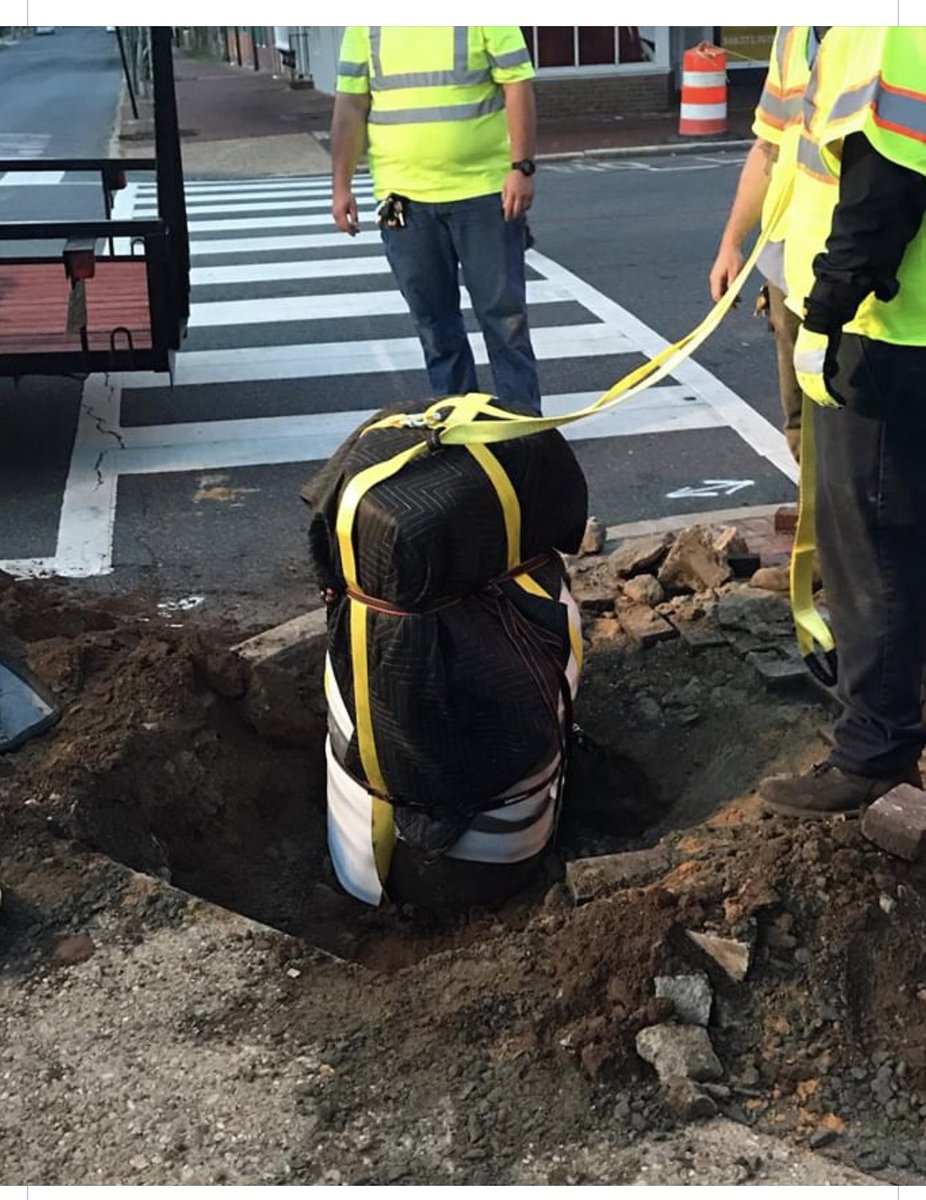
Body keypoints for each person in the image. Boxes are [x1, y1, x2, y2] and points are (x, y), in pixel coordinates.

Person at [758, 25, 926, 820]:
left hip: (884, 331)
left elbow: (885, 181)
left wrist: (824, 313)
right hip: (894, 328)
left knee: (870, 549)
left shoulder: (885, 29)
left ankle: (875, 751)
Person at [330, 26, 542, 414]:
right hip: (404, 200)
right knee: (434, 324)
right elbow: (351, 104)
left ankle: (521, 425)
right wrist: (341, 185)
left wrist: (521, 167)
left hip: (484, 192)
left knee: (505, 320)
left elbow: (517, 85)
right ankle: (457, 423)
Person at [709, 26, 826, 465]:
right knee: (800, 417)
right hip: (789, 257)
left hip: (860, 259)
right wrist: (731, 244)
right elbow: (769, 145)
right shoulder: (793, 32)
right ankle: (810, 499)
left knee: (858, 421)